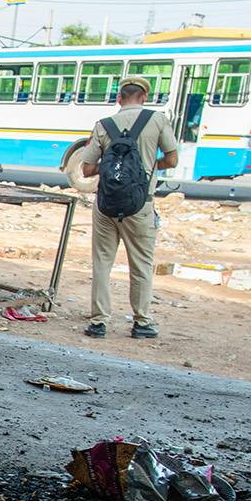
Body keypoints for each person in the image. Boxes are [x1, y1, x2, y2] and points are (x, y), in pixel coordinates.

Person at [78, 74, 180, 339]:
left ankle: (99, 322)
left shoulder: (103, 125)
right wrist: (147, 166)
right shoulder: (157, 120)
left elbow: (87, 169)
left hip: (106, 204)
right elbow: (172, 159)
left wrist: (113, 167)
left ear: (119, 98)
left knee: (102, 262)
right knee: (141, 264)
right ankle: (142, 323)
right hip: (140, 205)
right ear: (144, 97)